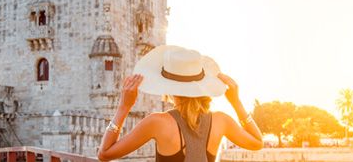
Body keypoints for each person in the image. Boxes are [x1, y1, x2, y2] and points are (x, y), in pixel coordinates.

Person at [97, 45, 264, 161]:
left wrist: (124, 107)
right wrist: (236, 103)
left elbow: (104, 154)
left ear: (168, 86)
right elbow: (257, 143)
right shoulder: (221, 121)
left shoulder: (157, 122)